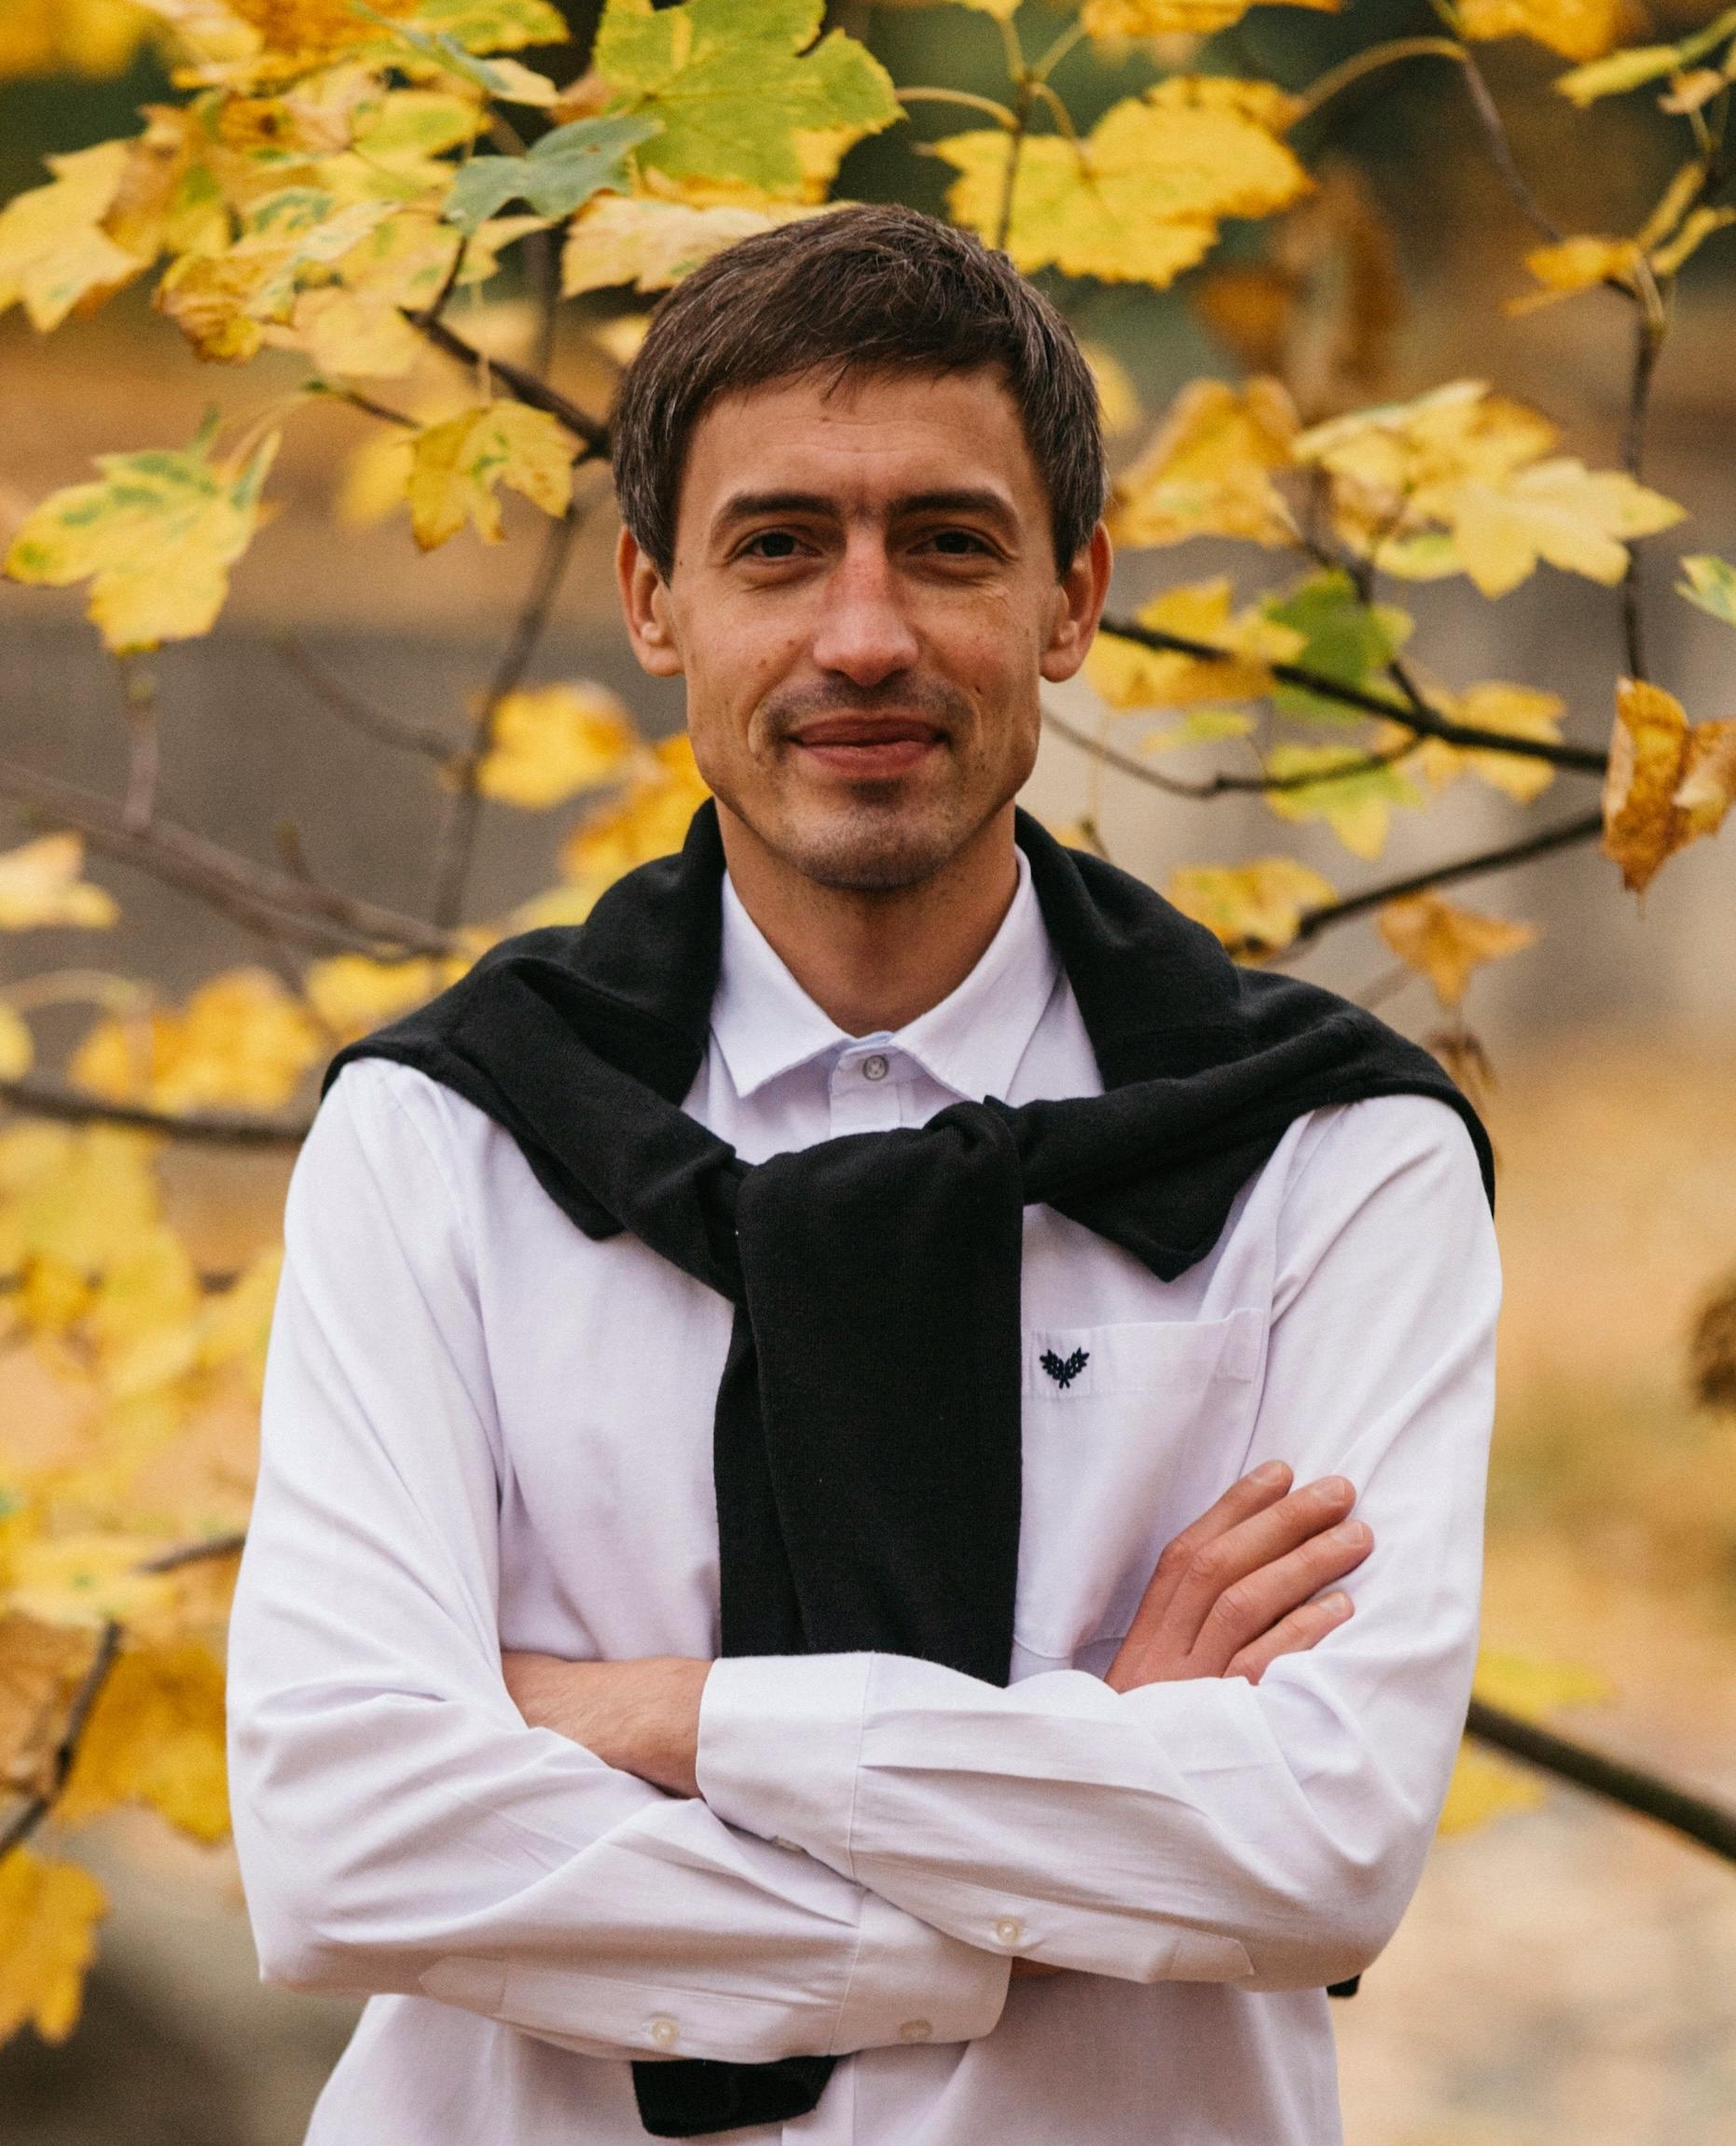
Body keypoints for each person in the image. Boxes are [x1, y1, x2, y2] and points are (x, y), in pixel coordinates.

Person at [227, 206, 1500, 2146]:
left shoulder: (1329, 1155)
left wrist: (649, 1710)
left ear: (1073, 597)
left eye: (948, 541)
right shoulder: (442, 1137)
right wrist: (1065, 1821)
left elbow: (1317, 1849)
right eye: (778, 545)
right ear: (655, 602)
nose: (863, 634)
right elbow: (340, 1840)